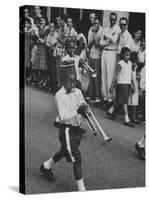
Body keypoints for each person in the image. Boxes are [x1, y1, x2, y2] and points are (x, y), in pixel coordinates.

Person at [40, 59, 88, 191]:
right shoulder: (59, 95)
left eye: (74, 81)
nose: (72, 84)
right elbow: (62, 117)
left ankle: (46, 166)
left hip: (76, 130)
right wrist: (77, 111)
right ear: (62, 80)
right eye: (69, 81)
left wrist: (85, 110)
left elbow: (83, 106)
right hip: (66, 131)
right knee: (77, 158)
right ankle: (82, 189)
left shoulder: (77, 91)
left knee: (64, 151)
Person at [107, 47, 135, 127]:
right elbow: (115, 75)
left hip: (127, 84)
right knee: (124, 102)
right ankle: (127, 119)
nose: (128, 57)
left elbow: (130, 75)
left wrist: (132, 85)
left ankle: (110, 111)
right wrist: (112, 86)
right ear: (122, 55)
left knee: (121, 101)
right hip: (121, 84)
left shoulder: (130, 63)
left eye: (129, 55)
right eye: (126, 55)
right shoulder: (120, 63)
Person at [100, 12, 121, 105]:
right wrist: (109, 38)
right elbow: (101, 43)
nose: (112, 21)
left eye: (114, 19)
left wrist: (107, 37)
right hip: (104, 51)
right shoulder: (106, 28)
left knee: (110, 75)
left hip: (112, 52)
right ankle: (104, 97)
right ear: (109, 19)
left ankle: (110, 99)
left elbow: (114, 40)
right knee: (103, 75)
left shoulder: (117, 29)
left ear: (116, 20)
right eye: (111, 19)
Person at [87, 17, 103, 103]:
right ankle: (91, 95)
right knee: (91, 76)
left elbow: (97, 44)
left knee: (96, 77)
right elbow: (89, 45)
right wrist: (93, 35)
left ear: (100, 24)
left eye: (97, 23)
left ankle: (97, 96)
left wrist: (94, 33)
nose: (96, 25)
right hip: (91, 55)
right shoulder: (90, 29)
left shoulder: (101, 30)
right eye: (95, 24)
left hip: (98, 56)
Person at [34, 17, 49, 87]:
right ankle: (42, 79)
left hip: (44, 48)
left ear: (46, 21)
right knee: (40, 66)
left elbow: (44, 41)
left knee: (44, 66)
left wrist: (39, 39)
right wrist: (37, 39)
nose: (42, 21)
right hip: (39, 47)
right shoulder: (40, 28)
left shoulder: (46, 29)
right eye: (41, 20)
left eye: (43, 20)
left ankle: (45, 80)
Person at [46, 23, 58, 92]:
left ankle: (54, 86)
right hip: (50, 52)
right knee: (50, 69)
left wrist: (51, 44)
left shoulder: (56, 34)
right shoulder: (49, 34)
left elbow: (54, 43)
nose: (51, 28)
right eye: (50, 27)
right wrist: (50, 45)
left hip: (54, 53)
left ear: (55, 28)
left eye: (52, 27)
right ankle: (50, 85)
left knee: (54, 70)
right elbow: (47, 43)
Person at [128, 52, 139, 123]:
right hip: (131, 86)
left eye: (135, 62)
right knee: (129, 102)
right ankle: (130, 117)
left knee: (134, 103)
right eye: (133, 62)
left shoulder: (136, 68)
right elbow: (129, 78)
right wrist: (132, 86)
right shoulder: (129, 68)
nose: (134, 64)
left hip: (136, 87)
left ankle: (133, 118)